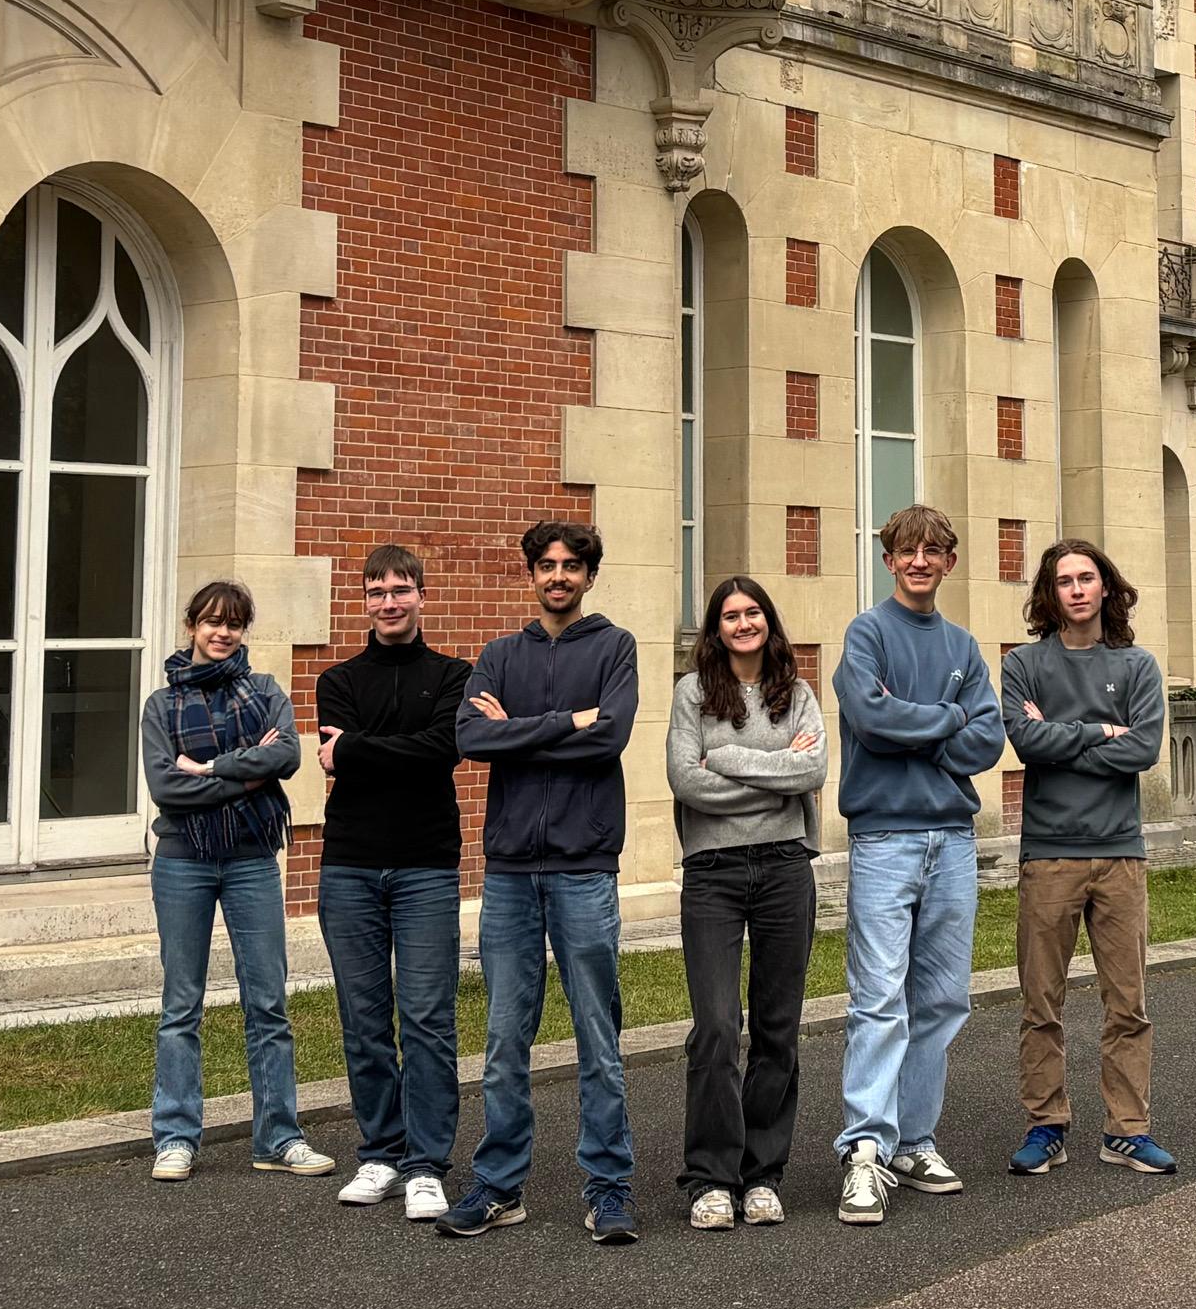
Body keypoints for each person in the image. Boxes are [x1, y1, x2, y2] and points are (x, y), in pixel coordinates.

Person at [448, 518, 643, 1244]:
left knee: (598, 1037)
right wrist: (568, 721)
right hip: (508, 876)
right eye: (546, 565)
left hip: (584, 868)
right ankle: (499, 1187)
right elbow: (471, 738)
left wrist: (524, 729)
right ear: (530, 574)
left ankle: (610, 1187)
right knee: (504, 1041)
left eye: (571, 566)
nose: (558, 576)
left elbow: (612, 736)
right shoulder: (499, 654)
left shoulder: (615, 647)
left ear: (589, 576)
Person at [828, 504, 1005, 1227]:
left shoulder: (964, 646)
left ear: (949, 563)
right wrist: (949, 719)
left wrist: (924, 723)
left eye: (933, 551)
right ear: (889, 560)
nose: (920, 562)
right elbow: (869, 717)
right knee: (878, 996)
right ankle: (864, 1150)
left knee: (940, 999)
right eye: (908, 551)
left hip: (952, 843)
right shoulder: (866, 634)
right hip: (884, 840)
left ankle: (914, 1141)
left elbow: (988, 740)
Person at [140, 580, 335, 1183]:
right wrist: (246, 776)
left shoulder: (267, 691)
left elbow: (287, 759)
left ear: (244, 629)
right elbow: (166, 790)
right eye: (211, 622)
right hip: (182, 859)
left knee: (268, 1002)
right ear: (192, 625)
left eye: (233, 624)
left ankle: (279, 1137)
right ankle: (175, 1137)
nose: (222, 633)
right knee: (181, 1004)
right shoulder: (160, 705)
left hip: (252, 856)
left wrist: (209, 767)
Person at [1003, 538, 1178, 1180]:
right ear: (1050, 595)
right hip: (1048, 855)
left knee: (1127, 1004)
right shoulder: (1023, 664)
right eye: (1063, 581)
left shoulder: (1136, 667)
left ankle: (1127, 1131)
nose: (1076, 589)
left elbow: (1143, 750)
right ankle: (1046, 1126)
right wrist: (1099, 730)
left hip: (1119, 855)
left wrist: (1062, 736)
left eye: (1086, 578)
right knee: (1040, 1003)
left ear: (1106, 588)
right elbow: (1024, 741)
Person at [312, 544, 472, 1224]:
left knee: (429, 1020)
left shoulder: (454, 675)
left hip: (427, 867)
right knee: (365, 1020)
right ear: (365, 602)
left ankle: (427, 1165)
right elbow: (413, 752)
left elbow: (444, 750)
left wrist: (353, 747)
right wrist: (392, 751)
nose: (388, 602)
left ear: (421, 596)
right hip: (349, 865)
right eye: (376, 591)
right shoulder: (337, 679)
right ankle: (380, 1152)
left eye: (400, 589)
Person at [666, 574, 829, 1232]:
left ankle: (762, 1173)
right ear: (716, 627)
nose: (742, 623)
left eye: (752, 612)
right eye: (730, 615)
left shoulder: (798, 693)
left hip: (787, 868)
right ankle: (710, 1176)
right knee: (713, 1023)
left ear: (768, 621)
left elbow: (814, 772)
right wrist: (768, 775)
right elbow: (684, 779)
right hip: (712, 871)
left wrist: (725, 759)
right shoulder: (693, 694)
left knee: (777, 1026)